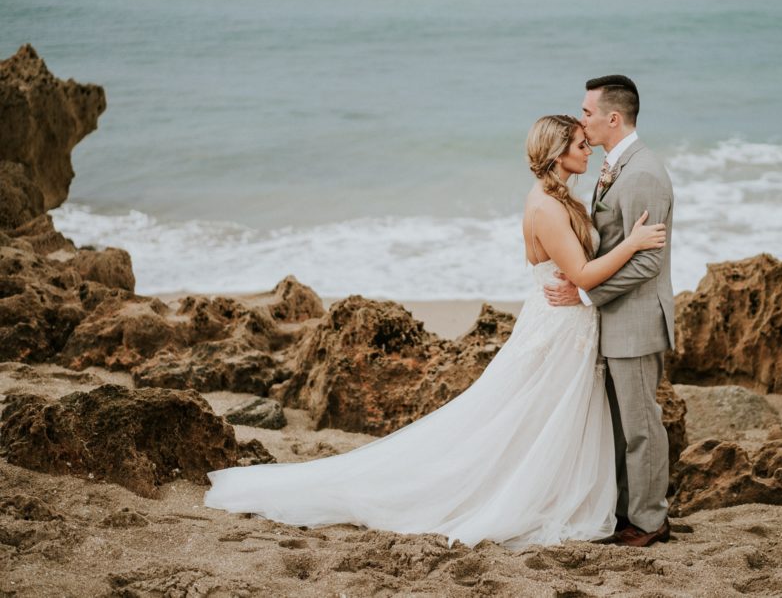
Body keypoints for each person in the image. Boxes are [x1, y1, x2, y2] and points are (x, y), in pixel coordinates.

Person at [204, 114, 666, 549]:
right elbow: (583, 275)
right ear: (556, 153)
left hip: (573, 327)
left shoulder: (564, 197)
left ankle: (561, 494)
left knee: (548, 420)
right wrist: (633, 243)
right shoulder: (546, 206)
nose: (588, 150)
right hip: (560, 328)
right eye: (580, 145)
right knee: (528, 419)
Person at [544, 75, 676, 548]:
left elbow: (647, 260)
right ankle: (628, 514)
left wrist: (583, 294)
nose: (581, 119)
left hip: (636, 321)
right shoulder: (616, 165)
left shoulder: (641, 173)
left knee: (641, 426)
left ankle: (649, 521)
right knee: (621, 428)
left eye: (586, 112)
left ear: (612, 118)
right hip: (616, 320)